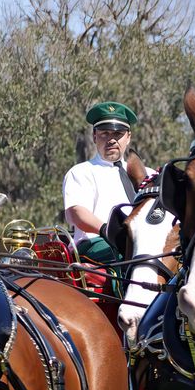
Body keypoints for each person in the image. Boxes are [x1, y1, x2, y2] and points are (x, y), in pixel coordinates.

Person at [63, 101, 141, 266]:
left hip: (139, 241)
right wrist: (109, 231)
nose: (111, 140)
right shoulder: (81, 172)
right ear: (94, 136)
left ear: (128, 137)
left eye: (118, 133)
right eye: (105, 133)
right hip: (96, 243)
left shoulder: (145, 173)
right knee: (129, 255)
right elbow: (76, 213)